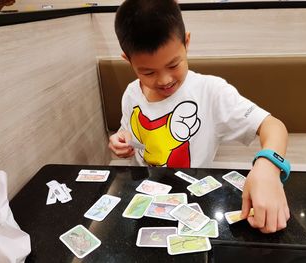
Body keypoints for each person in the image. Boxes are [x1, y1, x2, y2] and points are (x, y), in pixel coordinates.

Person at [108, 0, 290, 233]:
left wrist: (268, 168)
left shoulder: (210, 91)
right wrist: (120, 140)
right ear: (128, 60)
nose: (164, 80)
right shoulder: (132, 93)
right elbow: (129, 132)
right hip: (147, 196)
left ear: (187, 43)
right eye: (148, 72)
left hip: (194, 199)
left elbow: (273, 126)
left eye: (174, 64)